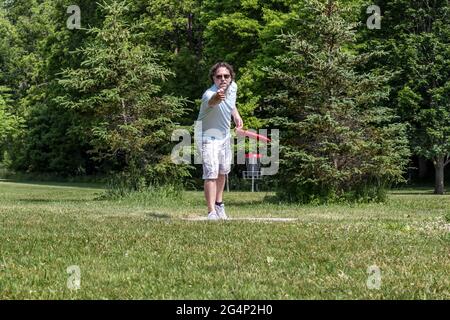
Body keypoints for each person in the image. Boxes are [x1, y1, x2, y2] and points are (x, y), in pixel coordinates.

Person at [197, 62, 243, 220]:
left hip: (224, 135)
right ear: (213, 79)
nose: (223, 79)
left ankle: (219, 205)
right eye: (219, 76)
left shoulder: (234, 87)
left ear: (231, 77)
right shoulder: (209, 94)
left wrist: (235, 115)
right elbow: (213, 102)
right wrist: (218, 96)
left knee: (223, 171)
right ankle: (211, 212)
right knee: (211, 173)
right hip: (207, 136)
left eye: (226, 76)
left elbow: (230, 103)